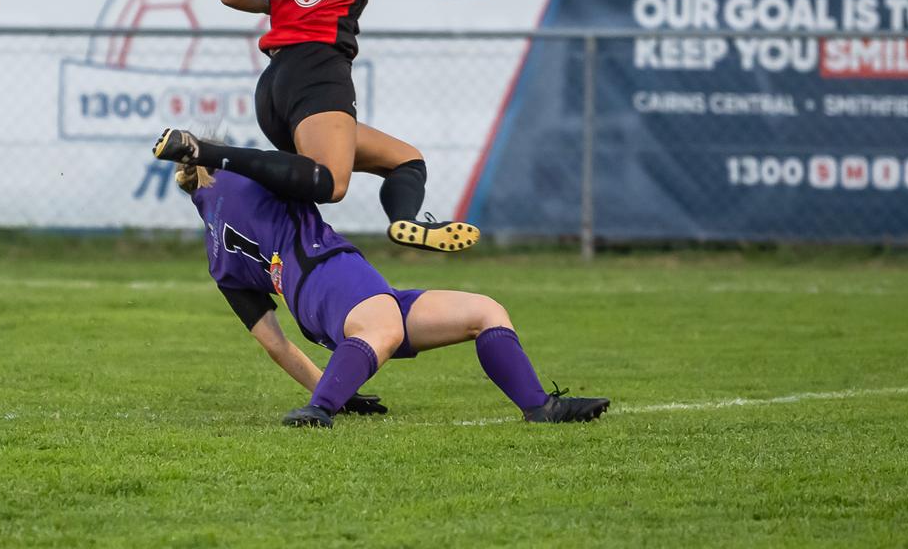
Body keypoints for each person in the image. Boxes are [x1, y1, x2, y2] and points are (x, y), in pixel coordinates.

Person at [202, 0, 524, 252]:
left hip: (275, 84)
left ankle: (404, 223)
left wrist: (279, 5)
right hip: (319, 72)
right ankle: (214, 155)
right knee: (331, 183)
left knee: (405, 160)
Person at [165, 153, 610, 428]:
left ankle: (539, 408)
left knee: (484, 312)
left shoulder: (216, 254)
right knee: (383, 327)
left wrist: (336, 384)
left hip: (326, 302)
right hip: (330, 271)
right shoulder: (250, 174)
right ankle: (319, 412)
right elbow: (323, 170)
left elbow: (276, 345)